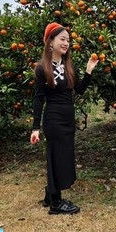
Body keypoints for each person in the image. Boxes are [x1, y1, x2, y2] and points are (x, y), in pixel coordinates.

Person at [30, 22, 98, 214]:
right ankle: (55, 204)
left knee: (63, 157)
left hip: (68, 120)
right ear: (50, 42)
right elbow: (38, 99)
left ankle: (49, 193)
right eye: (62, 39)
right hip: (54, 120)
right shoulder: (42, 68)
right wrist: (36, 127)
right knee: (56, 158)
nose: (66, 43)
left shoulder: (67, 65)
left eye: (68, 40)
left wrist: (89, 70)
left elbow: (80, 90)